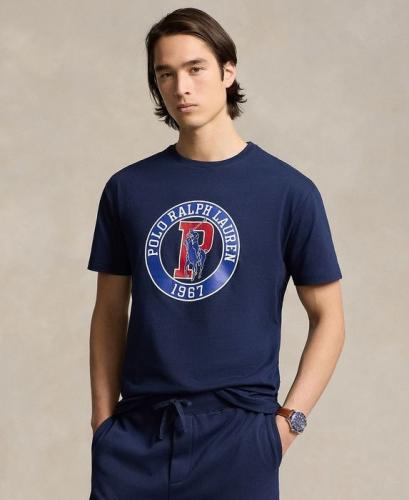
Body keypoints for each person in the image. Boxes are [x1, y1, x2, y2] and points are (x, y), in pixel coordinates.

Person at [86, 7, 345, 500]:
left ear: (228, 71)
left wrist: (287, 424)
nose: (181, 87)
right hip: (137, 435)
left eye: (195, 68)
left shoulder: (289, 192)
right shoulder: (128, 189)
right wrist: (103, 422)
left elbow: (329, 317)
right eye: (166, 73)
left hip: (239, 437)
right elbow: (109, 311)